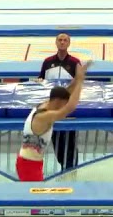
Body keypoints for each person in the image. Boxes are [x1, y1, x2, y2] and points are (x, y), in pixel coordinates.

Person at [16, 59, 91, 182]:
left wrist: (77, 78)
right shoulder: (44, 116)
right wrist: (81, 81)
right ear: (58, 102)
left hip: (30, 162)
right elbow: (69, 108)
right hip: (28, 165)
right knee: (35, 199)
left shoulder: (44, 104)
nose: (63, 106)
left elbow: (66, 92)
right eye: (63, 104)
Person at [37, 33, 82, 170]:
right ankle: (65, 165)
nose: (62, 42)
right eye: (60, 40)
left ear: (69, 43)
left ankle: (70, 169)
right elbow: (41, 80)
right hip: (53, 109)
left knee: (70, 141)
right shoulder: (47, 62)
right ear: (56, 42)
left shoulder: (75, 63)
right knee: (56, 141)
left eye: (65, 40)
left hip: (68, 109)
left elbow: (79, 84)